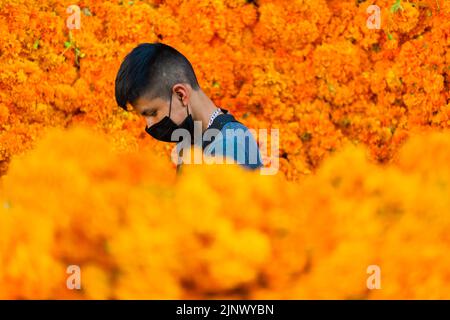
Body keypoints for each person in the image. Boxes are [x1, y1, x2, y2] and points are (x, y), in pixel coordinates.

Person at [115, 42, 263, 173]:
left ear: (181, 95)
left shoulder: (228, 149)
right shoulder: (194, 140)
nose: (149, 124)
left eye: (153, 112)